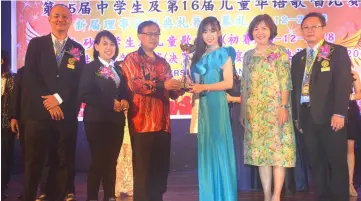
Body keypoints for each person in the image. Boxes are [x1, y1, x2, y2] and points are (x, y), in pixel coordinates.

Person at [22, 4, 85, 201]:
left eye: (65, 17)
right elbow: (31, 77)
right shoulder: (36, 44)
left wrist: (57, 100)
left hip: (65, 115)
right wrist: (49, 103)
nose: (61, 19)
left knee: (63, 160)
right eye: (56, 16)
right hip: (38, 116)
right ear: (49, 19)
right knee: (35, 162)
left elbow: (77, 81)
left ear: (71, 21)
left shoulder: (77, 49)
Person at [291, 12, 352, 201]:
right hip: (307, 116)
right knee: (316, 162)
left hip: (330, 116)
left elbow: (343, 84)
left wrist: (340, 113)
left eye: (314, 26)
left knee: (337, 161)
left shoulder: (336, 52)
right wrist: (297, 117)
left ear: (323, 29)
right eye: (305, 27)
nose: (309, 31)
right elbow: (295, 89)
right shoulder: (298, 58)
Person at [121, 21, 183, 201]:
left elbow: (172, 93)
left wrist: (182, 85)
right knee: (143, 172)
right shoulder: (131, 59)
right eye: (150, 34)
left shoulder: (163, 63)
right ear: (140, 36)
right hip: (142, 123)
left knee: (160, 170)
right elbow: (136, 85)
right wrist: (164, 85)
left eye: (156, 34)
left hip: (163, 124)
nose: (153, 37)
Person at [241, 14, 296, 201]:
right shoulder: (248, 56)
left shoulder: (279, 52)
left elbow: (285, 82)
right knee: (261, 155)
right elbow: (244, 86)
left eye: (264, 28)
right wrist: (243, 111)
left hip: (276, 110)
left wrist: (283, 106)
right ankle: (266, 195)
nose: (260, 32)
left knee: (279, 154)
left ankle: (276, 195)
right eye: (256, 28)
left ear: (271, 30)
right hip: (255, 113)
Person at [189, 16, 237, 201]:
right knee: (206, 148)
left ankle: (225, 195)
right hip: (204, 106)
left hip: (217, 104)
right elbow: (198, 82)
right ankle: (209, 194)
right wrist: (193, 85)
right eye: (205, 31)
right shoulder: (199, 56)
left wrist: (204, 87)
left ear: (219, 32)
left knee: (218, 146)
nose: (209, 35)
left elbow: (228, 82)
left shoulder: (224, 53)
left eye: (213, 30)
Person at [78, 30, 128, 201]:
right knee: (98, 161)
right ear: (96, 46)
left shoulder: (118, 69)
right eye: (105, 43)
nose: (109, 47)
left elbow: (123, 92)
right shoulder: (90, 68)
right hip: (96, 121)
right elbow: (84, 94)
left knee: (111, 161)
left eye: (112, 44)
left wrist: (125, 101)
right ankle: (92, 197)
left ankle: (109, 196)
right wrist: (109, 103)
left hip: (116, 121)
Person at [1, 49, 16, 200]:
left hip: (5, 125)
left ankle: (2, 188)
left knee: (4, 158)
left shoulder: (11, 78)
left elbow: (14, 102)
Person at [348, 70, 361, 197]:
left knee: (350, 149)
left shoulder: (353, 74)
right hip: (331, 112)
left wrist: (349, 97)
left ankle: (350, 183)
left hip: (350, 112)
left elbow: (359, 93)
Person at [115, 110, 133, 198]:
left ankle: (130, 187)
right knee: (119, 157)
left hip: (132, 120)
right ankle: (117, 187)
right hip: (117, 120)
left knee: (129, 156)